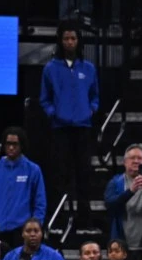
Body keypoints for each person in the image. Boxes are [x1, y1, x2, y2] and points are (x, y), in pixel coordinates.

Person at [39, 21, 99, 229]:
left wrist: (91, 109)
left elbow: (95, 96)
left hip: (83, 127)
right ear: (60, 41)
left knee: (84, 174)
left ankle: (85, 219)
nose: (70, 42)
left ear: (78, 41)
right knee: (61, 175)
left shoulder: (89, 68)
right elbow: (44, 98)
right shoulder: (51, 68)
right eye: (66, 38)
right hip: (61, 128)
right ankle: (60, 219)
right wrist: (53, 114)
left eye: (73, 38)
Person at [0, 128, 47, 248]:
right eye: (8, 144)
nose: (11, 148)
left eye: (15, 144)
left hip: (20, 231)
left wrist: (34, 227)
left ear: (21, 145)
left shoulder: (33, 170)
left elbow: (40, 201)